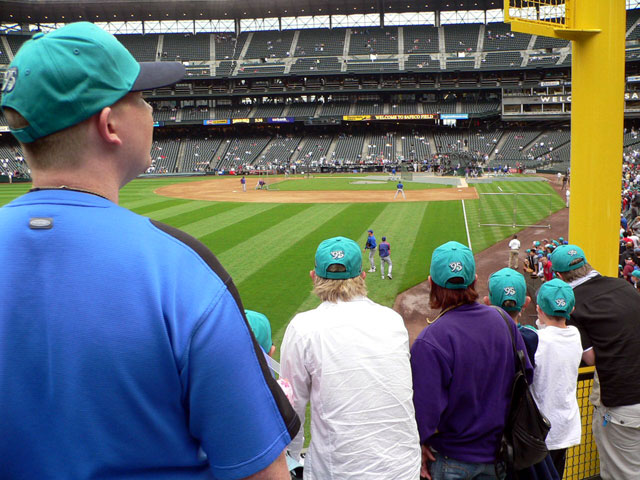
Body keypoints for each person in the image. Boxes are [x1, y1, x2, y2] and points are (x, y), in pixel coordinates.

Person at [0, 23, 299, 479]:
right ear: (110, 124)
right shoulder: (181, 268)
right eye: (139, 96)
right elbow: (260, 471)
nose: (151, 107)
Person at [280, 236, 421, 479]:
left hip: (341, 471)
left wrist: (292, 455)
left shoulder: (303, 328)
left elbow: (291, 407)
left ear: (314, 277)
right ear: (362, 277)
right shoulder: (392, 320)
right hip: (404, 467)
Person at [411, 241, 533, 480]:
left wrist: (421, 443)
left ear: (430, 283)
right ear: (475, 281)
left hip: (450, 460)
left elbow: (425, 411)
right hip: (498, 456)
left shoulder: (431, 339)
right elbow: (526, 375)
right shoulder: (504, 321)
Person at [550, 244, 640, 480]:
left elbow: (590, 358)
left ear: (559, 276)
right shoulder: (623, 286)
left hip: (623, 403)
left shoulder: (572, 303)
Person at [485, 268, 560, 480]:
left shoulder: (482, 337)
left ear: (488, 300)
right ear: (526, 302)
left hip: (490, 431)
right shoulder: (532, 337)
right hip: (523, 429)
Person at [533, 279, 583, 478]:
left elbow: (542, 334)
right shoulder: (575, 334)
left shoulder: (536, 339)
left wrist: (539, 320)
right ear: (571, 309)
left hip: (540, 431)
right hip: (564, 427)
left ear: (539, 309)